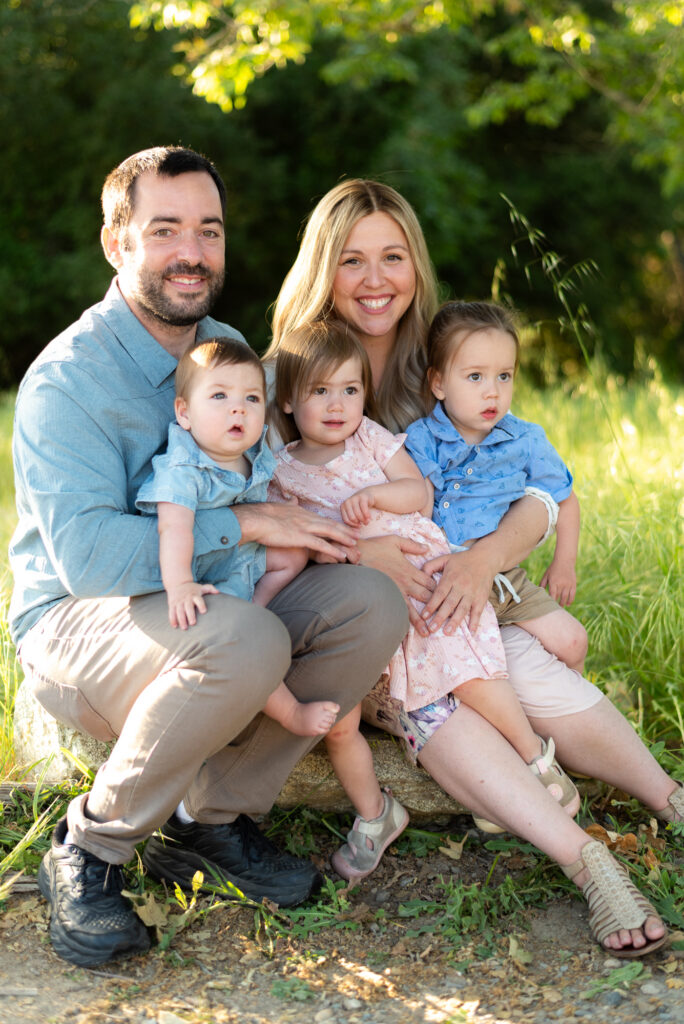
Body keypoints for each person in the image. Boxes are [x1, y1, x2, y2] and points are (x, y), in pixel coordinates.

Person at [9, 148, 408, 968]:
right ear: (116, 243)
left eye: (208, 230)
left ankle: (207, 823)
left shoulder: (225, 348)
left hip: (210, 606)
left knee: (369, 601)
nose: (192, 252)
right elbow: (89, 559)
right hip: (81, 623)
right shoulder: (68, 383)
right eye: (165, 230)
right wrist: (253, 526)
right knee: (247, 639)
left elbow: (286, 468)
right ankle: (90, 849)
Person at [265, 177, 684, 957]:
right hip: (360, 611)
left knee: (521, 657)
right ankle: (587, 862)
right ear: (322, 269)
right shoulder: (295, 376)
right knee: (440, 702)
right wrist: (361, 550)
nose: (376, 279)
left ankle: (667, 796)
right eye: (352, 261)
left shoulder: (449, 357)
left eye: (394, 257)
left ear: (416, 266)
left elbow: (531, 489)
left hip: (457, 589)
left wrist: (483, 560)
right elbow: (260, 509)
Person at [268, 319, 580, 868]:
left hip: (426, 570)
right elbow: (297, 545)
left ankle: (535, 755)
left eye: (350, 389)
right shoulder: (282, 471)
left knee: (470, 668)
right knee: (431, 685)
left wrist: (376, 495)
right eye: (320, 391)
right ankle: (491, 787)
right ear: (289, 400)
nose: (338, 404)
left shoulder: (370, 437)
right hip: (371, 592)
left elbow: (420, 492)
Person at [136, 335, 338, 737]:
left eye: (251, 399)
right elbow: (173, 528)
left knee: (294, 555)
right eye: (219, 396)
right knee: (247, 649)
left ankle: (259, 606)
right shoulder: (184, 467)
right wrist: (180, 586)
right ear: (185, 412)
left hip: (242, 557)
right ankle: (289, 713)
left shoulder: (253, 452)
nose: (237, 408)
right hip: (206, 574)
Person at [405, 299, 587, 672]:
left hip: (505, 577)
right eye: (475, 377)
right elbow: (415, 502)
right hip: (442, 581)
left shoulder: (525, 439)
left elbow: (565, 500)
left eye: (504, 376)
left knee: (573, 640)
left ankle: (571, 714)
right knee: (476, 664)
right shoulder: (422, 439)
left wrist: (564, 563)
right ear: (438, 382)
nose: (493, 392)